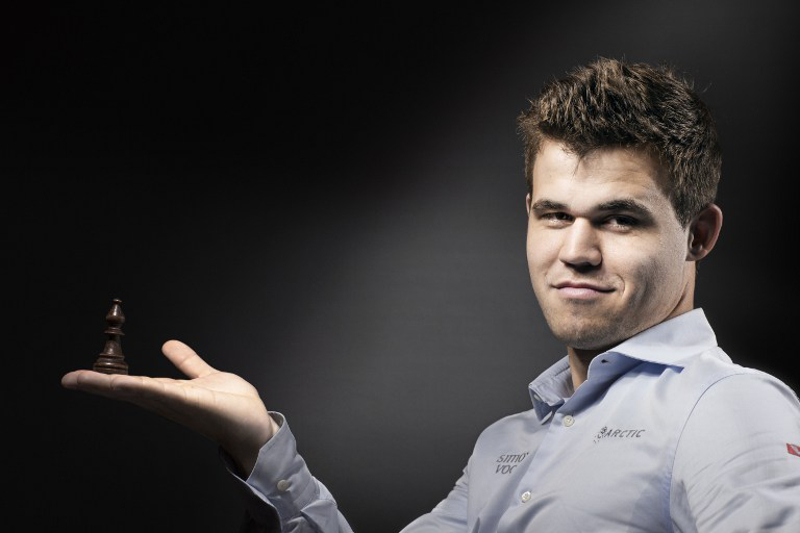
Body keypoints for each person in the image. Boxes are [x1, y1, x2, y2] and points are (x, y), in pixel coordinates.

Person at [62, 58, 800, 532]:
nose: (575, 249)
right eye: (554, 214)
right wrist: (261, 447)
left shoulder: (732, 410)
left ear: (698, 233)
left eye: (619, 218)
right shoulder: (506, 447)